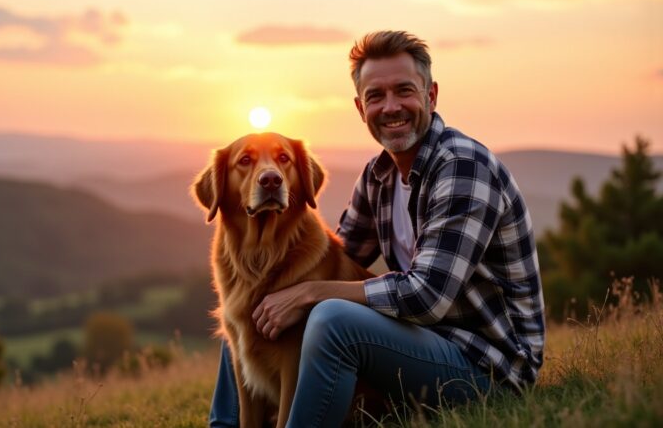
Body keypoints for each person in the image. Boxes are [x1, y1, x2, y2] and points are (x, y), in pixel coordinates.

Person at [209, 30, 545, 427]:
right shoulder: (378, 176)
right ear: (360, 107)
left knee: (331, 318)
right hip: (418, 345)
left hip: (486, 367)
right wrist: (259, 284)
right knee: (256, 308)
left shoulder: (463, 168)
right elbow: (334, 258)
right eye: (375, 96)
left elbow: (426, 298)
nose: (390, 107)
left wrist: (308, 293)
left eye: (404, 91)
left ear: (431, 95)